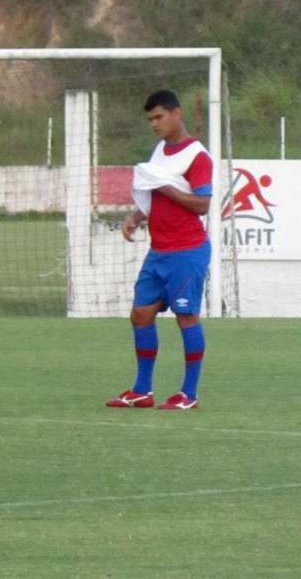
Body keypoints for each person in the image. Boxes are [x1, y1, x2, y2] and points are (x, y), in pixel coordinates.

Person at [107, 89, 212, 411]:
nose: (154, 124)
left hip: (187, 251)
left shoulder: (197, 156)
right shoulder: (159, 152)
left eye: (159, 117)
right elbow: (155, 196)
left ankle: (188, 394)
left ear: (176, 114)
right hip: (159, 251)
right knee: (140, 314)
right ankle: (142, 390)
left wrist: (166, 187)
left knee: (186, 317)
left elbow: (202, 204)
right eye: (150, 119)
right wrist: (136, 216)